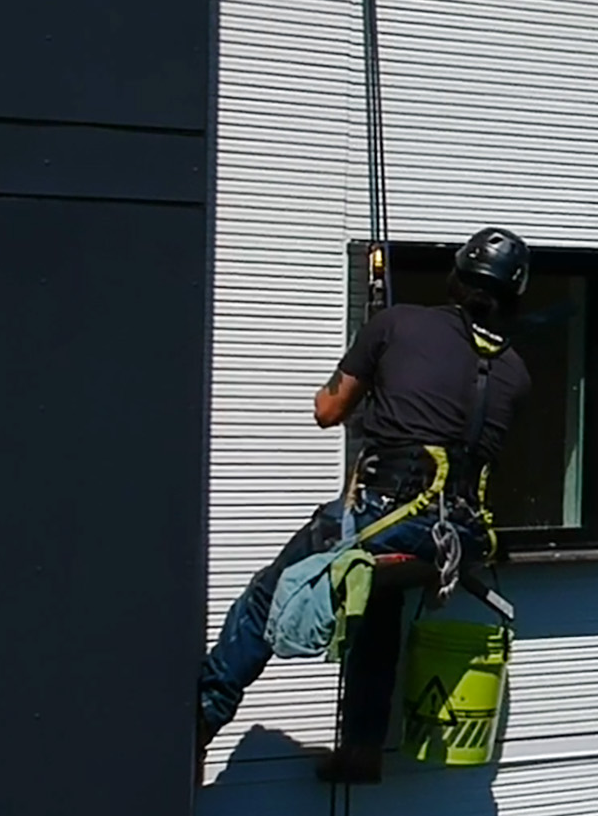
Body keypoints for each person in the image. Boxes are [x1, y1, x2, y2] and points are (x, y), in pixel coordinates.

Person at [197, 227, 533, 784]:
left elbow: (327, 411)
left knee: (269, 596)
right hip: (452, 540)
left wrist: (378, 369)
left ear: (455, 277)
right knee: (377, 601)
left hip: (388, 511)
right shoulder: (517, 373)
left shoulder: (396, 324)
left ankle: (198, 723)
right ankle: (361, 748)